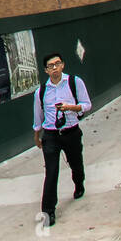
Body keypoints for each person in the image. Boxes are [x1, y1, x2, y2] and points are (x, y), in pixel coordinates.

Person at [34, 52, 92, 226]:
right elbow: (38, 116)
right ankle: (48, 211)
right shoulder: (41, 91)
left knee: (76, 163)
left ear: (63, 65)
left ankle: (79, 183)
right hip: (51, 135)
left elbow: (87, 104)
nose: (54, 68)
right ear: (46, 70)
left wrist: (71, 107)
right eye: (50, 66)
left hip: (71, 132)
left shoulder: (75, 82)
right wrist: (37, 135)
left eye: (57, 64)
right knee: (51, 172)